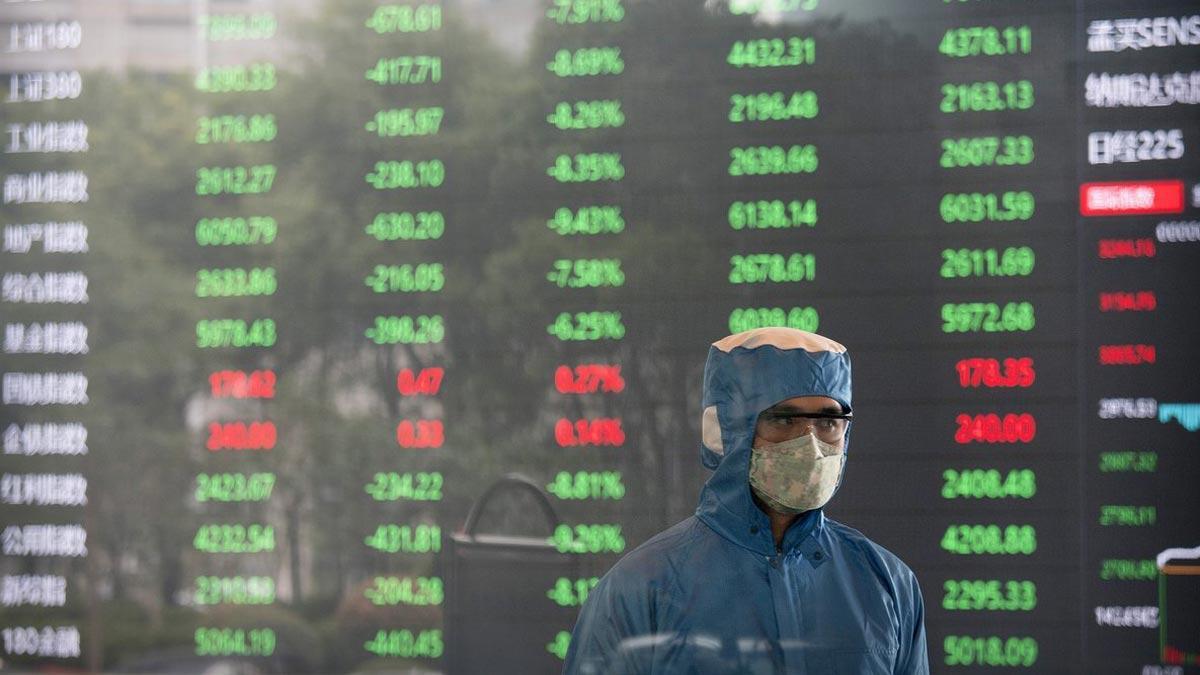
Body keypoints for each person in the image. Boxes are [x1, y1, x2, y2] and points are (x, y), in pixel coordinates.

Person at [563, 328, 928, 674]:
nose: (811, 445)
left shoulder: (888, 586)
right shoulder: (639, 591)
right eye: (784, 420)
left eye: (828, 422)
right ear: (725, 432)